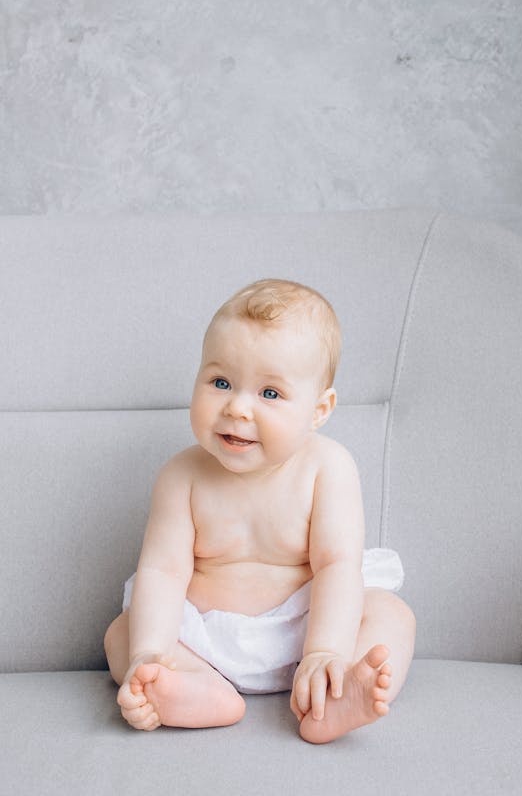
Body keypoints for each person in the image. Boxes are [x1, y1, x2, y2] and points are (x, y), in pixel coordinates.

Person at [104, 278, 416, 744]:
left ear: (318, 409)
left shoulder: (327, 468)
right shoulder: (181, 475)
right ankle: (195, 689)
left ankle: (332, 696)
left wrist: (325, 650)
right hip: (203, 638)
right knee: (122, 633)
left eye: (270, 394)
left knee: (390, 613)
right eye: (221, 382)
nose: (237, 408)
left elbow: (336, 565)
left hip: (306, 634)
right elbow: (163, 572)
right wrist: (150, 651)